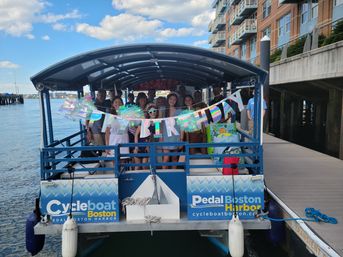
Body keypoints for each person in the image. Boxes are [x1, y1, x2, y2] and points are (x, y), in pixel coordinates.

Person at [133, 103, 159, 170]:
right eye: (150, 111)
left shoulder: (157, 123)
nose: (152, 113)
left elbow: (157, 136)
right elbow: (136, 134)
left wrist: (151, 145)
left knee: (145, 166)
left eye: (154, 111)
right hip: (140, 143)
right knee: (137, 166)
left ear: (157, 112)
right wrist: (136, 147)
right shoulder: (143, 121)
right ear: (148, 113)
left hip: (150, 144)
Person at [161, 93, 182, 169]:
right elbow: (158, 123)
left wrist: (181, 139)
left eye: (174, 99)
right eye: (170, 99)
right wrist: (159, 137)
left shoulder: (179, 111)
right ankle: (163, 175)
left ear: (176, 101)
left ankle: (174, 174)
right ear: (167, 100)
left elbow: (181, 126)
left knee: (174, 158)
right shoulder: (162, 109)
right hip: (165, 137)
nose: (172, 101)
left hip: (176, 137)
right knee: (166, 158)